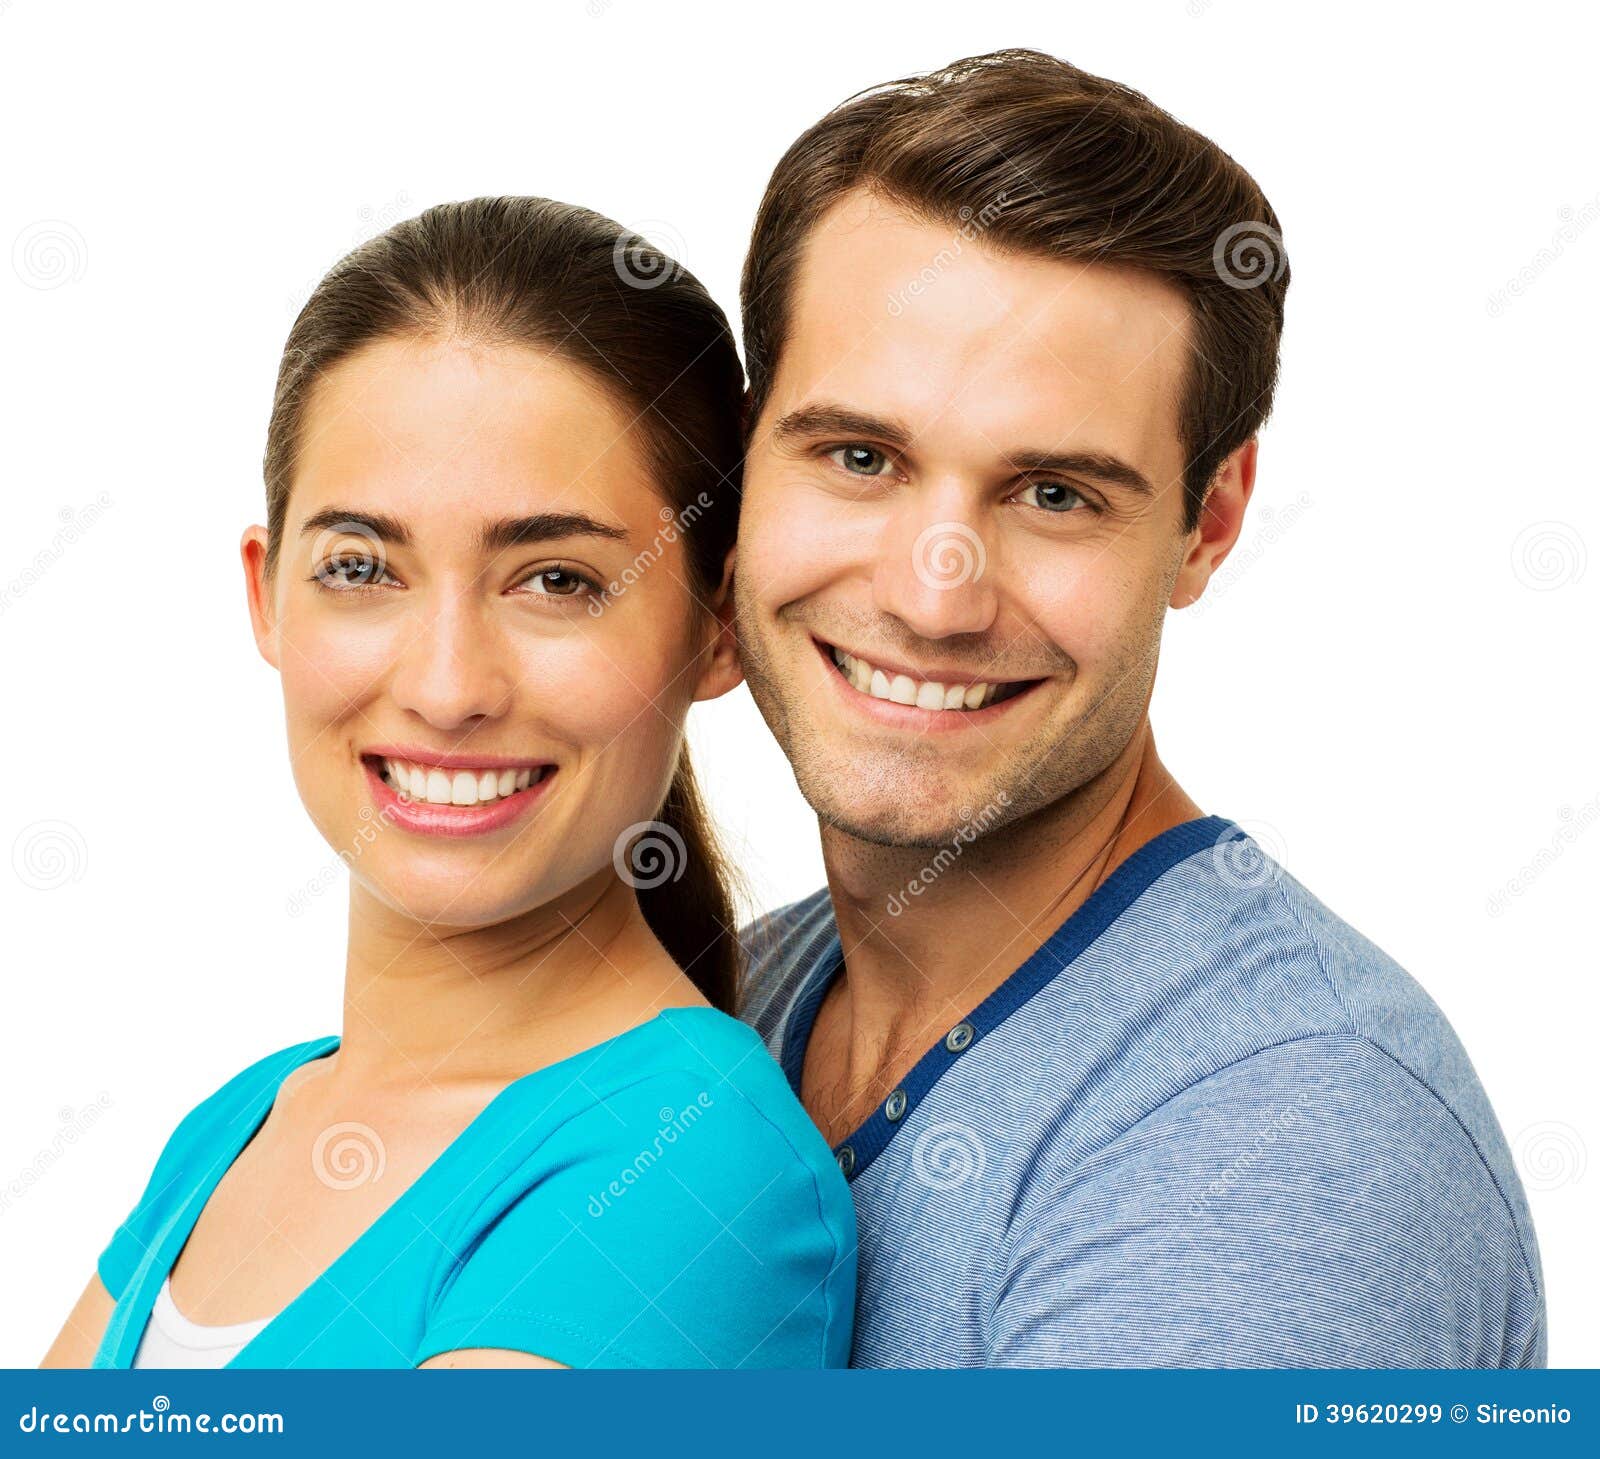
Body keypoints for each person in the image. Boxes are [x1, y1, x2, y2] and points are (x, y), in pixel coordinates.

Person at [734, 50, 1545, 1367]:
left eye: (1053, 492)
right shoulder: (731, 999)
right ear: (742, 462)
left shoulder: (1284, 1136)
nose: (937, 597)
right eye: (861, 456)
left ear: (1207, 523)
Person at [41, 197, 855, 1370]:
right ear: (268, 595)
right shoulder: (233, 1132)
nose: (446, 684)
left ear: (717, 623)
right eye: (363, 567)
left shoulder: (686, 1157)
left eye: (559, 580)